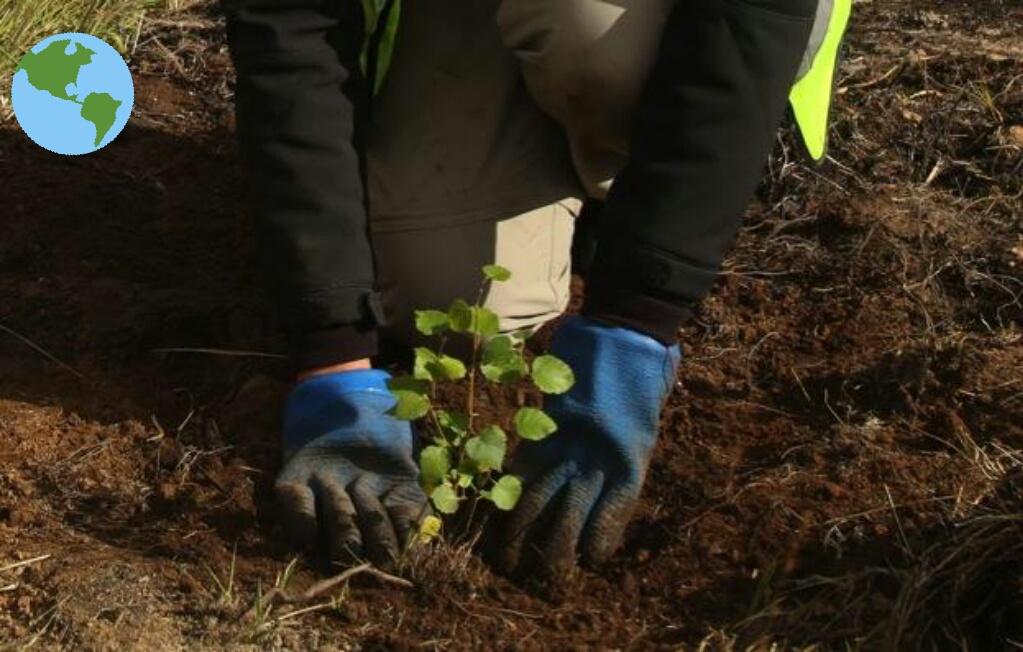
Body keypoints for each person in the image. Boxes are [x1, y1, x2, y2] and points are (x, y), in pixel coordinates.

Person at [222, 0, 850, 574]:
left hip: (700, 28)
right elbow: (290, 24)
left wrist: (639, 307)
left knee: (591, 41)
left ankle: (635, 186)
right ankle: (559, 170)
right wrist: (332, 347)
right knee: (436, 297)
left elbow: (754, 16)